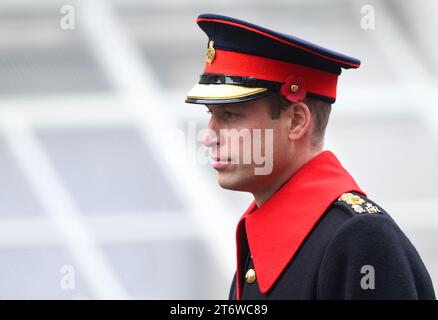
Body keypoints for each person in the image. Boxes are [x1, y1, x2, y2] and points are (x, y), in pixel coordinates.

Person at [185, 13, 436, 300]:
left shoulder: (361, 239)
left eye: (230, 115)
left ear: (295, 122)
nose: (208, 136)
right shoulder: (276, 235)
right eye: (211, 115)